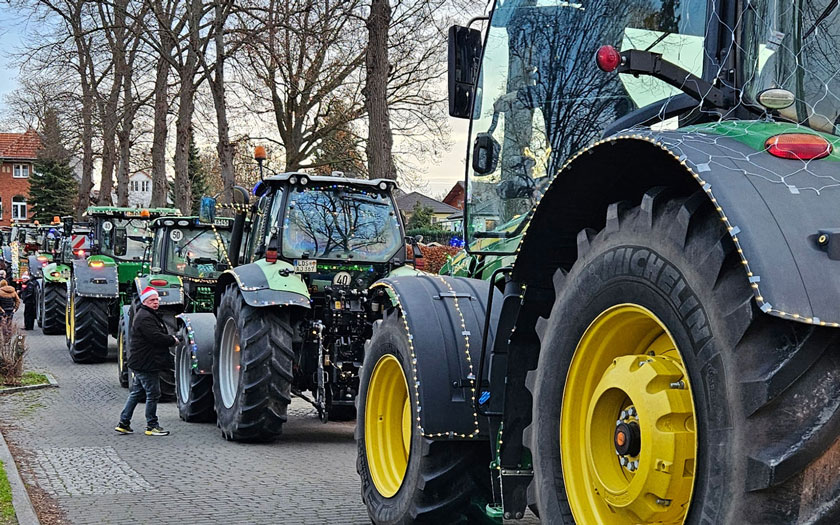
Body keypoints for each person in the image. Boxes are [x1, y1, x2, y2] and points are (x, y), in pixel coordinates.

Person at [115, 287, 178, 436]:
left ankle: (124, 422)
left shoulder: (148, 314)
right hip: (146, 363)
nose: (156, 303)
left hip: (142, 362)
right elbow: (156, 337)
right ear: (145, 301)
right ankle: (152, 425)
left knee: (136, 392)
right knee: (153, 393)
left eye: (157, 300)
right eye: (152, 300)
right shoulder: (145, 317)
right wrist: (173, 340)